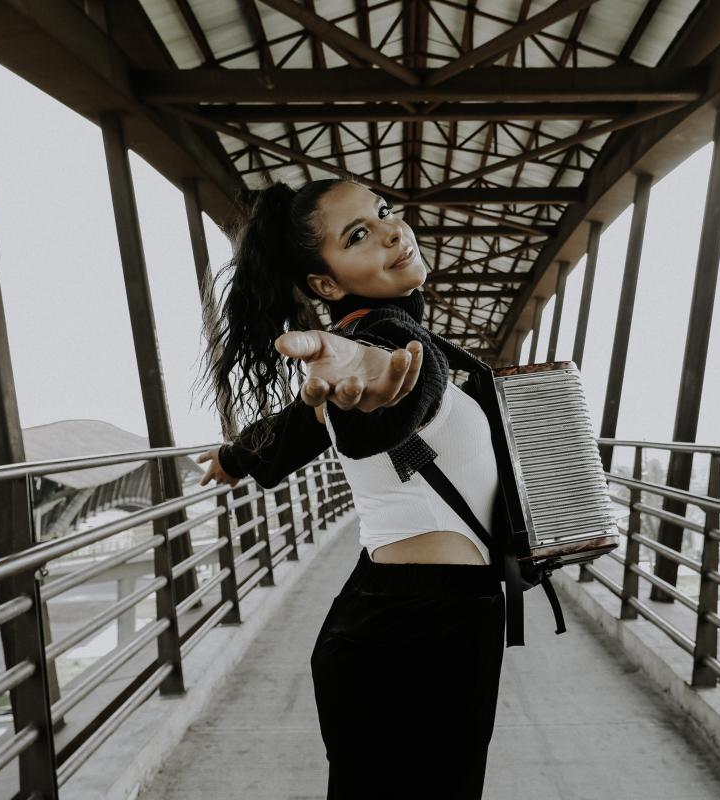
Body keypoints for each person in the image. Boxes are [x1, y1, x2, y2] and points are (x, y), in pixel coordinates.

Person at [196, 179, 505, 799]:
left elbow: (302, 423)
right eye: (357, 234)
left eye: (384, 213)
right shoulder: (383, 344)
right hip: (417, 632)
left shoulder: (396, 340)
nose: (392, 231)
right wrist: (368, 380)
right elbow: (378, 401)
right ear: (326, 287)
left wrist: (236, 456)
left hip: (412, 621)